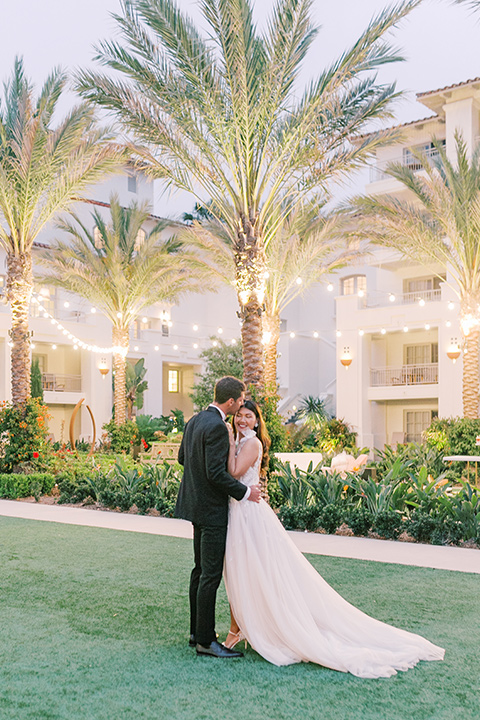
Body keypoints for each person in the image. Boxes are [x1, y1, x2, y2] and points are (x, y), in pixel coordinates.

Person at [222, 400, 445, 679]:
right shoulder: (243, 442)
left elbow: (232, 473)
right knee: (241, 572)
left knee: (253, 571)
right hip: (239, 513)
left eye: (247, 416)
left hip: (249, 517)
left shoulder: (250, 443)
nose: (242, 420)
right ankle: (241, 627)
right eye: (239, 416)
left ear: (256, 422)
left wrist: (230, 441)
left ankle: (246, 629)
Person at [175, 376, 262, 659]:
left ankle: (194, 632)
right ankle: (205, 641)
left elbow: (182, 458)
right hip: (211, 509)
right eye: (239, 401)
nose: (240, 406)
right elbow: (216, 473)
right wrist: (245, 493)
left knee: (199, 571)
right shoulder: (216, 425)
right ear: (230, 401)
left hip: (193, 505)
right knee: (210, 575)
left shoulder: (195, 420)